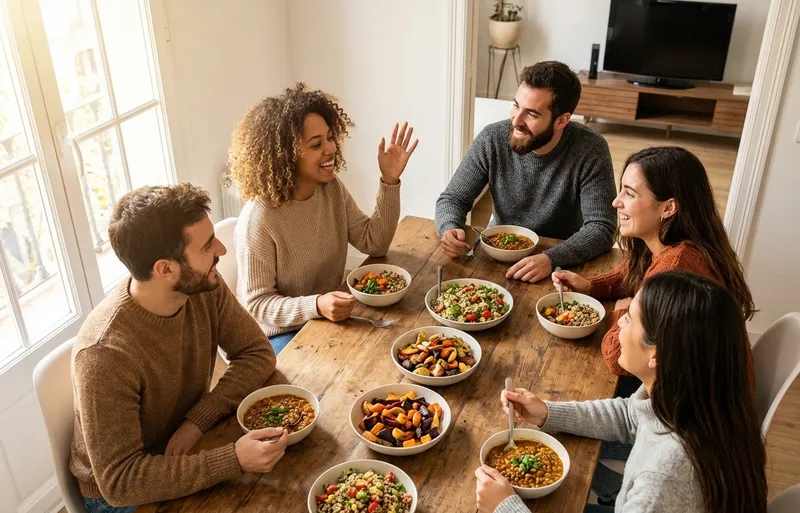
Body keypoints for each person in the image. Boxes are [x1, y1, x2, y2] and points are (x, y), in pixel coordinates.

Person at [475, 271, 766, 513]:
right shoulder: (706, 401)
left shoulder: (671, 474)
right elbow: (632, 415)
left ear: (657, 355)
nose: (619, 327)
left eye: (628, 319)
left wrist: (506, 511)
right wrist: (547, 412)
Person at [70, 184, 286, 513]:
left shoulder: (200, 286)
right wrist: (232, 459)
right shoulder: (104, 355)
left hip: (187, 444)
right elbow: (120, 481)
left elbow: (257, 353)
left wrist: (197, 421)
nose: (221, 250)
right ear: (166, 269)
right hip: (122, 497)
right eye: (207, 246)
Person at [231, 83, 418, 354]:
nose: (331, 149)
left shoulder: (330, 188)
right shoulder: (259, 218)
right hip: (278, 334)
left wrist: (389, 180)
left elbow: (374, 243)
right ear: (286, 155)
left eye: (330, 137)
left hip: (327, 318)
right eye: (316, 144)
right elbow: (258, 304)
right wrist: (316, 305)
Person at [553, 146, 755, 379]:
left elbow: (617, 358)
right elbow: (634, 271)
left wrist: (622, 312)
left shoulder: (677, 267)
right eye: (621, 190)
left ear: (668, 208)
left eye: (630, 194)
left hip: (693, 398)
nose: (616, 202)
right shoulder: (673, 244)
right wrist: (591, 286)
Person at [435, 61, 616, 283]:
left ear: (561, 121)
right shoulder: (492, 138)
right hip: (498, 252)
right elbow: (452, 199)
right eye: (516, 105)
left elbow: (601, 227)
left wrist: (551, 258)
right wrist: (449, 227)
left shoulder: (591, 148)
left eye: (531, 114)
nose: (516, 120)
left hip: (562, 261)